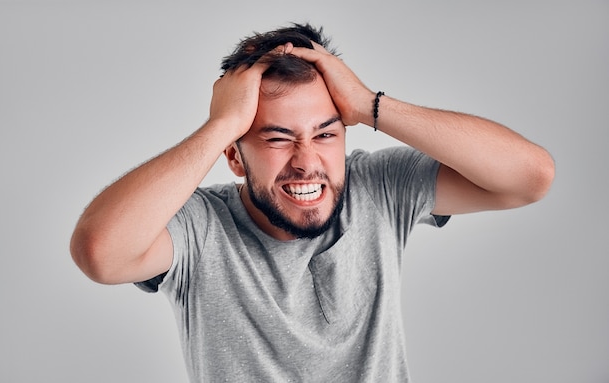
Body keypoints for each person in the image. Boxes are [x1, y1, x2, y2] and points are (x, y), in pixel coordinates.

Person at [70, 23, 555, 382]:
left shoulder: (378, 187)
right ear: (235, 158)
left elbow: (528, 178)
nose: (307, 163)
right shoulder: (199, 226)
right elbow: (100, 253)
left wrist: (368, 105)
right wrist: (220, 126)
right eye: (278, 138)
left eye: (325, 134)